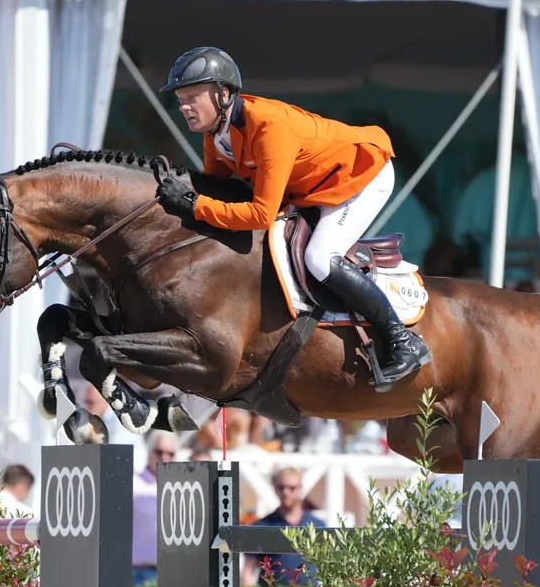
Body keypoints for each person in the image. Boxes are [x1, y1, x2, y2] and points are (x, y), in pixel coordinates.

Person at [155, 47, 430, 389]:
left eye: (192, 97)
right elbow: (216, 186)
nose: (184, 106)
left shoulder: (268, 128)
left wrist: (194, 205)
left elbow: (259, 213)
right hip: (313, 187)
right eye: (181, 98)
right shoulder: (216, 133)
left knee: (319, 258)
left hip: (360, 177)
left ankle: (403, 340)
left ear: (224, 94)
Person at [242, 467, 326, 587]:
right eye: (281, 487)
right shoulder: (262, 526)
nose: (286, 492)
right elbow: (248, 571)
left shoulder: (317, 525)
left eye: (292, 488)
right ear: (275, 488)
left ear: (300, 488)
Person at [132, 434, 176, 587]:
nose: (164, 457)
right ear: (149, 451)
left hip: (171, 573)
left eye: (170, 454)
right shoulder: (133, 484)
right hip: (138, 573)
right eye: (159, 452)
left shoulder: (179, 488)